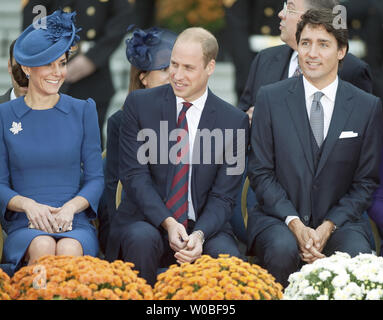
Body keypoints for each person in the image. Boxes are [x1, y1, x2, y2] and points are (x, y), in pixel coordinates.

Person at [246, 9, 383, 288]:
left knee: (356, 256)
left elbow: (365, 182)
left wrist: (328, 225)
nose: (312, 53)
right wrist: (295, 223)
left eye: (323, 44)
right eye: (306, 43)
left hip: (341, 222)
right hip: (279, 219)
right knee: (282, 249)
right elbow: (260, 172)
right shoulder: (270, 99)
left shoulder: (366, 107)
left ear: (341, 51)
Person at [106, 27, 249, 286]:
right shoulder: (139, 105)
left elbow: (224, 196)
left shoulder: (234, 122)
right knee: (141, 240)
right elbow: (135, 176)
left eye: (188, 68)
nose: (177, 75)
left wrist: (201, 235)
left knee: (226, 259)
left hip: (206, 225)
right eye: (173, 65)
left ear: (210, 67)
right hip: (147, 219)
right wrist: (169, 223)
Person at [0, 10, 104, 275]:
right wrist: (28, 205)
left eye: (62, 63)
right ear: (26, 67)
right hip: (26, 222)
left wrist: (70, 208)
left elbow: (95, 178)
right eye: (48, 64)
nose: (58, 73)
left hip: (73, 220)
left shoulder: (83, 110)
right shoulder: (4, 115)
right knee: (43, 246)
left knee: (69, 250)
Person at [101, 26, 177, 253]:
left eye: (177, 67)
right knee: (141, 238)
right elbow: (114, 191)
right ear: (143, 77)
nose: (174, 75)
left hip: (185, 219)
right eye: (164, 69)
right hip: (138, 219)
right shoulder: (121, 122)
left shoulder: (194, 116)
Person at [238, 0, 373, 123]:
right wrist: (248, 121)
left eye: (289, 9)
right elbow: (241, 114)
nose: (280, 14)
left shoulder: (351, 69)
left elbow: (361, 129)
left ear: (312, 16)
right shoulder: (265, 59)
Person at [22, 0, 134, 146]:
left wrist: (93, 58)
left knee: (89, 147)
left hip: (93, 78)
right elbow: (35, 11)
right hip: (49, 71)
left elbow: (123, 16)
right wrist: (46, 56)